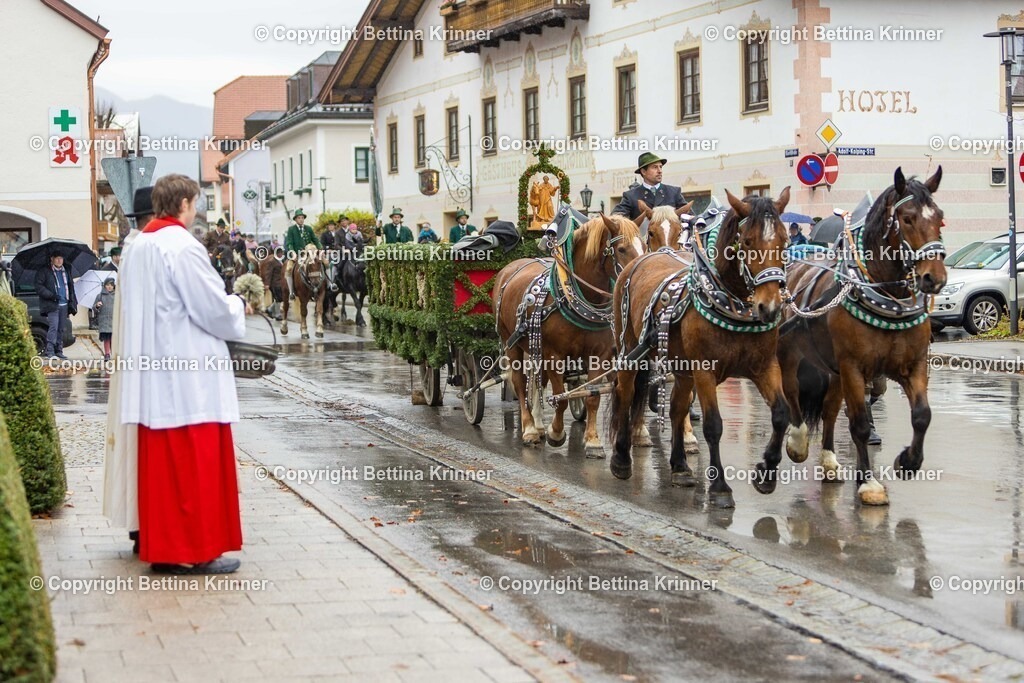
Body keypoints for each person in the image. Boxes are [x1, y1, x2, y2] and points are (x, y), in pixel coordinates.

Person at [115, 173, 252, 575]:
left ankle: (165, 549)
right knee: (195, 467)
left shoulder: (138, 247)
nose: (196, 211)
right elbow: (212, 309)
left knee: (163, 473)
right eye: (195, 203)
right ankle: (196, 550)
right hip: (190, 378)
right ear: (184, 204)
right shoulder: (183, 247)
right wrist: (238, 304)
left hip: (153, 375)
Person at [104, 184, 152, 554]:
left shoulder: (133, 247)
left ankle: (140, 524)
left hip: (133, 361)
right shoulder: (144, 249)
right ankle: (143, 524)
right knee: (140, 447)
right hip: (144, 363)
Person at [612, 152, 687, 221]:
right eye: (655, 167)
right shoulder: (630, 196)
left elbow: (689, 216)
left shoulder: (674, 192)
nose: (660, 171)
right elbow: (616, 218)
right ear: (643, 171)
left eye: (660, 167)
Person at [35, 250, 78, 359]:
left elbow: (70, 287)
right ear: (52, 259)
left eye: (61, 258)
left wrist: (72, 302)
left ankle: (59, 350)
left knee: (61, 329)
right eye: (57, 258)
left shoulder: (66, 270)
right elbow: (39, 286)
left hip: (64, 304)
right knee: (53, 327)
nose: (59, 260)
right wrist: (51, 295)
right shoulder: (45, 271)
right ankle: (50, 351)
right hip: (52, 304)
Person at [283, 208, 321, 298]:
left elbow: (315, 240)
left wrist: (320, 248)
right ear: (295, 219)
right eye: (299, 218)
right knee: (288, 269)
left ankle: (329, 285)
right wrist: (292, 252)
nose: (301, 219)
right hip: (297, 254)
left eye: (302, 218)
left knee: (325, 263)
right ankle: (291, 292)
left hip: (309, 253)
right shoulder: (291, 229)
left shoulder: (308, 228)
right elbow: (289, 243)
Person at [94, 277, 116, 360]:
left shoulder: (117, 296)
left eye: (111, 285)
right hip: (104, 320)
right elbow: (94, 308)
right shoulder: (100, 296)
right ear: (104, 286)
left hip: (114, 320)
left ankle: (114, 353)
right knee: (106, 338)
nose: (109, 287)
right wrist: (97, 306)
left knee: (113, 338)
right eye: (107, 285)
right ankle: (107, 353)